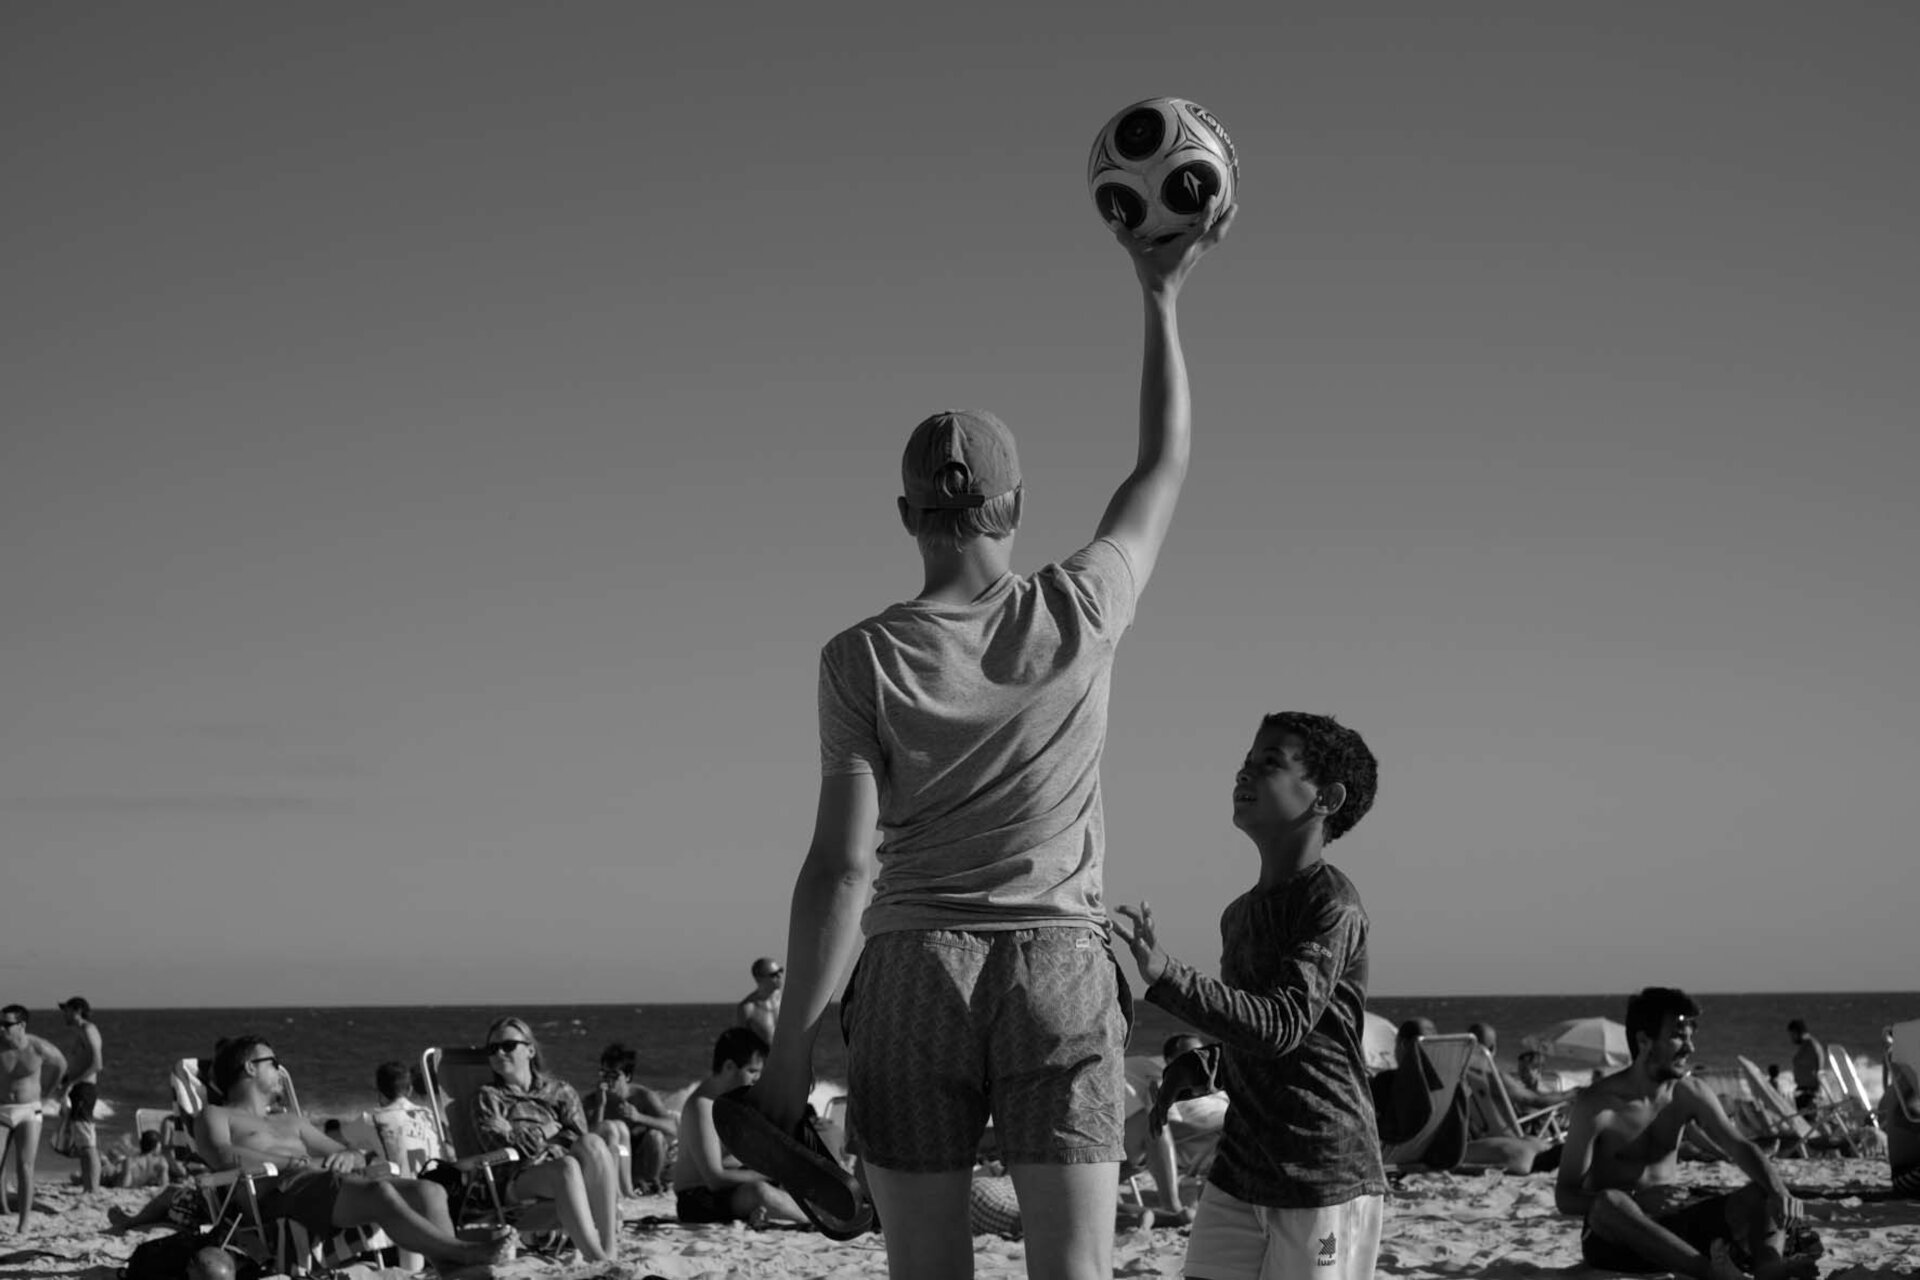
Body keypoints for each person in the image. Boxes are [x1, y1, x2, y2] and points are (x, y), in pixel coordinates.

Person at [741, 193, 1234, 1280]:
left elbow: (840, 865)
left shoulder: (858, 655)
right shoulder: (1079, 607)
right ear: (1013, 506)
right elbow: (1163, 465)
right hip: (1060, 958)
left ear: (907, 512)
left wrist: (789, 1053)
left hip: (912, 967)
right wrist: (1161, 295)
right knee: (1075, 1267)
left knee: (927, 1269)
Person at [1114, 711, 1386, 1280]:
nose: (1245, 774)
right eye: (1246, 761)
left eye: (1269, 764)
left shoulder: (1331, 903)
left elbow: (1283, 1023)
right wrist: (1207, 1063)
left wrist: (1168, 975)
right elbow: (1267, 1037)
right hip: (1241, 1165)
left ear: (1326, 798)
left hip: (1321, 1168)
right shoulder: (1238, 916)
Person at [193, 1034, 513, 1275]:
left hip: (329, 1184)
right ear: (250, 1067)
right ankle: (463, 1253)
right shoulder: (216, 1115)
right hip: (280, 1196)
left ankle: (451, 1271)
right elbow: (221, 1155)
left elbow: (347, 1153)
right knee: (381, 1192)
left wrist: (353, 1157)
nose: (280, 1071)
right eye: (273, 1063)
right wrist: (296, 1163)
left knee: (429, 1190)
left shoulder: (290, 1120)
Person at [1556, 988, 1817, 1280]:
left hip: (1676, 1228)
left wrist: (1779, 1191)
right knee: (1609, 1202)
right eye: (1678, 1036)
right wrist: (1636, 1201)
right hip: (1616, 1240)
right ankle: (1710, 1273)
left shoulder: (1688, 1094)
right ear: (1644, 1041)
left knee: (1762, 1189)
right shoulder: (1597, 1105)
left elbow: (1739, 1146)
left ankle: (1768, 1266)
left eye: (1692, 1036)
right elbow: (1565, 1196)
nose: (1690, 1048)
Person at [471, 1015, 620, 1264]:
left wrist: (514, 1131)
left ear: (530, 1050)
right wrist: (546, 1131)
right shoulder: (488, 1097)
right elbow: (495, 1146)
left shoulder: (560, 1091)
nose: (499, 1052)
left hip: (564, 1168)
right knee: (567, 1166)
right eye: (492, 1048)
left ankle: (610, 1250)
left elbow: (578, 1138)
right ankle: (599, 1262)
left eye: (508, 1046)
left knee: (593, 1143)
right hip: (518, 1179)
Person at [673, 1028, 806, 1226]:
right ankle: (814, 1221)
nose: (757, 1079)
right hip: (697, 1198)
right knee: (760, 1191)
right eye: (752, 1071)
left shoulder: (732, 1100)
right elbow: (714, 1178)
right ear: (729, 1067)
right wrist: (771, 1175)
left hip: (726, 1190)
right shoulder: (702, 1106)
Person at [1123, 1033, 1227, 1221]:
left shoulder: (1217, 1084)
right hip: (1208, 1137)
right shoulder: (1169, 1086)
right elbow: (1173, 1129)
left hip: (1229, 1128)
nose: (1199, 1058)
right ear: (1171, 1060)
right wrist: (1223, 1128)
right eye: (1191, 1053)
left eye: (1202, 1052)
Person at [582, 1042, 677, 1196]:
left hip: (640, 1156)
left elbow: (672, 1127)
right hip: (614, 1158)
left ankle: (651, 1182)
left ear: (627, 1077)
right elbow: (589, 1138)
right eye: (604, 1074)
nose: (608, 1080)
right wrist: (600, 1105)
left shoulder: (643, 1096)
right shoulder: (593, 1100)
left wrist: (639, 1117)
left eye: (614, 1075)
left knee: (656, 1136)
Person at [1, 1005, 53, 1234]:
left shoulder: (38, 1047)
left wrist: (48, 1093)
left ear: (21, 1025)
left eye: (7, 1024)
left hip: (29, 1111)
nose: (2, 1028)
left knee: (24, 1166)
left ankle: (24, 1223)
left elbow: (60, 1065)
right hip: (2, 1109)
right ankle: (3, 1208)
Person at [56, 996, 104, 1194]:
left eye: (66, 1010)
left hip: (84, 1089)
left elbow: (97, 1064)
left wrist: (72, 1084)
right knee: (82, 1142)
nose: (64, 1014)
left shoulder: (88, 1029)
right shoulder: (82, 1032)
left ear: (77, 1010)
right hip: (78, 1089)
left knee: (87, 1142)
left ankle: (92, 1190)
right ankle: (88, 1188)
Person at [369, 1060, 446, 1170]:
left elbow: (338, 1140)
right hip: (438, 1182)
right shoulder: (431, 1116)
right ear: (410, 1090)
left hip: (404, 1185)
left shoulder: (374, 1120)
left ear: (379, 1092)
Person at [735, 959, 784, 1047]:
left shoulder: (788, 1001)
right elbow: (742, 1045)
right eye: (774, 975)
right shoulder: (747, 1008)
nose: (780, 976)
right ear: (759, 979)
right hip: (766, 1060)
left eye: (780, 971)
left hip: (791, 1060)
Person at [1785, 1020, 1824, 1115]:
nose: (1791, 1038)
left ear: (1797, 1032)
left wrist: (1816, 1091)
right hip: (1804, 1091)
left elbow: (1819, 1068)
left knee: (1808, 1122)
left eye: (1792, 1035)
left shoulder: (1811, 1045)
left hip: (1809, 1093)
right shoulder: (1807, 1045)